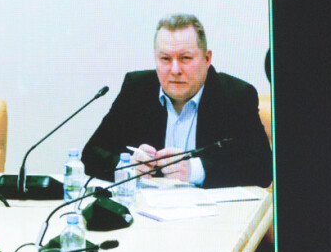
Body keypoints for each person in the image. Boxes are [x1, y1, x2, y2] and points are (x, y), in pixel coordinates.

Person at [82, 14, 273, 190]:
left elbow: (263, 170)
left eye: (185, 58)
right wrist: (126, 167)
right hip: (147, 208)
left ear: (207, 59)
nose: (175, 70)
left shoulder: (236, 96)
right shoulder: (137, 89)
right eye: (165, 59)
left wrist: (195, 170)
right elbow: (90, 154)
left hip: (211, 212)